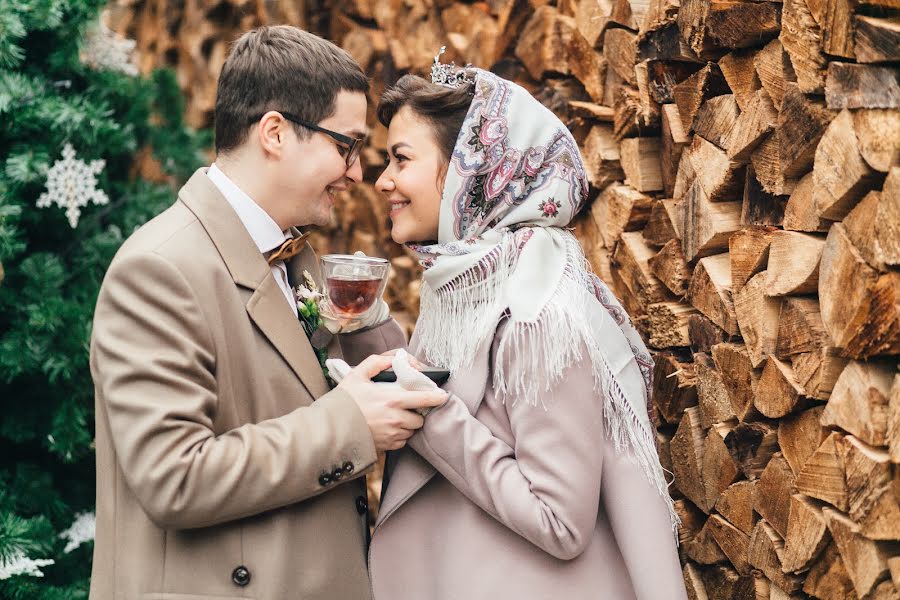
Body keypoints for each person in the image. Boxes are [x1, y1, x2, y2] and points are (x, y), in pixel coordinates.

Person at [89, 26, 446, 599]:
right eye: (345, 146)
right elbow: (173, 478)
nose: (357, 173)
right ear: (275, 133)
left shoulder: (297, 256)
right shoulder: (158, 270)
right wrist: (350, 425)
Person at [368, 58, 688, 600]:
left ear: (474, 172)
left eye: (401, 159)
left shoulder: (536, 310)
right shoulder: (467, 284)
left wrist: (430, 413)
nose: (383, 181)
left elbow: (560, 521)